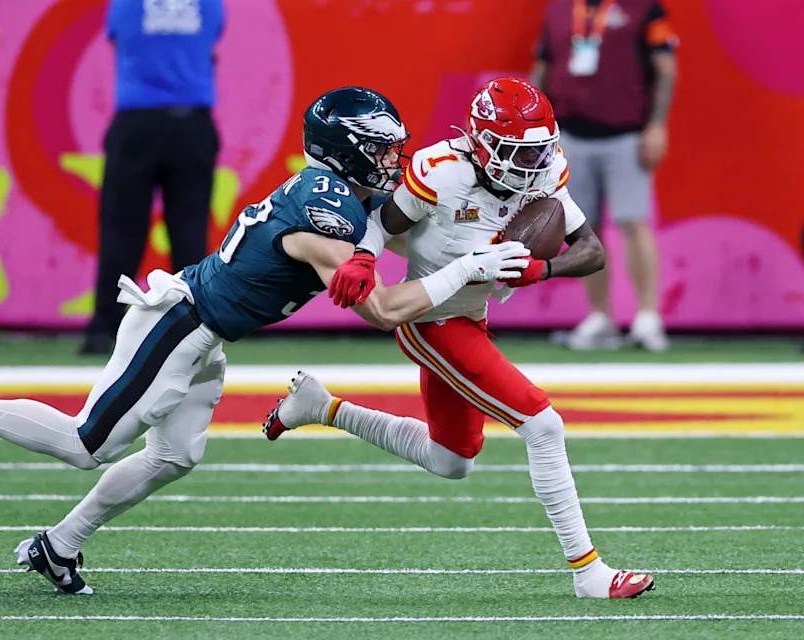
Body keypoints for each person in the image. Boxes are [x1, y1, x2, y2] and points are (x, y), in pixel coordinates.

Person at [0, 87, 532, 595]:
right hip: (181, 321)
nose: (395, 158)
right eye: (384, 147)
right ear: (350, 149)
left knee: (175, 457)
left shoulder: (339, 198)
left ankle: (60, 545)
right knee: (85, 445)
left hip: (209, 332)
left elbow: (377, 253)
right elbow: (386, 310)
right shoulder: (328, 205)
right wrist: (470, 269)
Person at [265, 78, 654, 599]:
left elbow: (592, 250)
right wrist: (363, 256)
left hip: (469, 317)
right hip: (432, 320)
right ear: (483, 142)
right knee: (543, 424)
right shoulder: (441, 172)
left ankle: (322, 408)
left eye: (541, 147)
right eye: (521, 150)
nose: (534, 161)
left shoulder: (544, 169)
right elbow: (381, 220)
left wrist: (543, 269)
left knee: (451, 460)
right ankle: (589, 572)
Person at [532, 0, 678, 351]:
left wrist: (656, 125)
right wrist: (536, 129)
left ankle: (648, 316)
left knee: (634, 222)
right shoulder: (559, 9)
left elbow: (666, 68)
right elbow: (543, 67)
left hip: (626, 132)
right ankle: (600, 317)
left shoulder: (644, 8)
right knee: (584, 228)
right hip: (570, 133)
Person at [82, 0, 225, 355]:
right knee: (189, 231)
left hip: (138, 121)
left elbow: (118, 37)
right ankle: (194, 330)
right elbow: (213, 36)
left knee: (121, 230)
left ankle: (105, 331)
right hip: (192, 123)